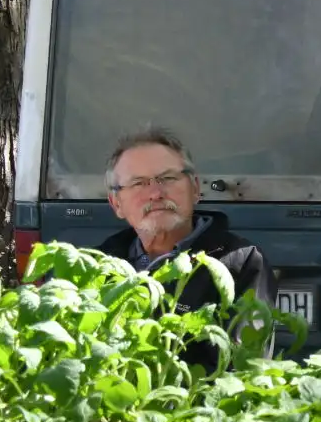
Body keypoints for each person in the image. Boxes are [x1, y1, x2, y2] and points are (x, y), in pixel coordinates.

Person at [98, 128, 275, 354]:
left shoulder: (242, 262)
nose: (156, 193)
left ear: (195, 189)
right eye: (139, 183)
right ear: (116, 204)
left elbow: (246, 364)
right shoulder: (99, 268)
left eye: (168, 178)